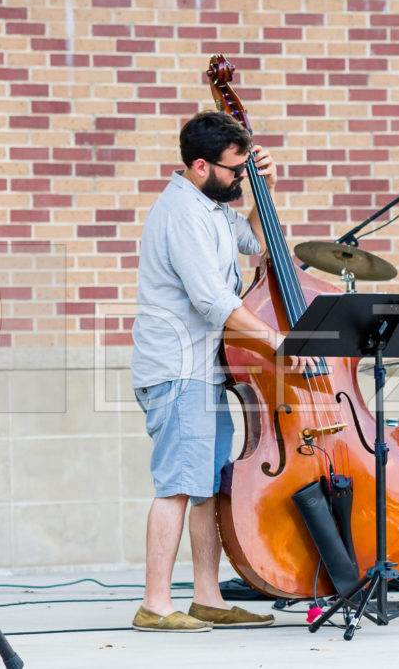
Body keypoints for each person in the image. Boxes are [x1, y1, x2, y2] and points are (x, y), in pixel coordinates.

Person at [130, 110, 313, 632]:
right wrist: (277, 341)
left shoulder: (210, 204)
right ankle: (155, 603)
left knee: (208, 485)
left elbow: (256, 241)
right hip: (179, 368)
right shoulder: (181, 214)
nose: (240, 177)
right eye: (236, 170)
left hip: (205, 371)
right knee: (177, 486)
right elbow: (213, 300)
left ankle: (207, 597)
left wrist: (264, 190)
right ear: (200, 165)